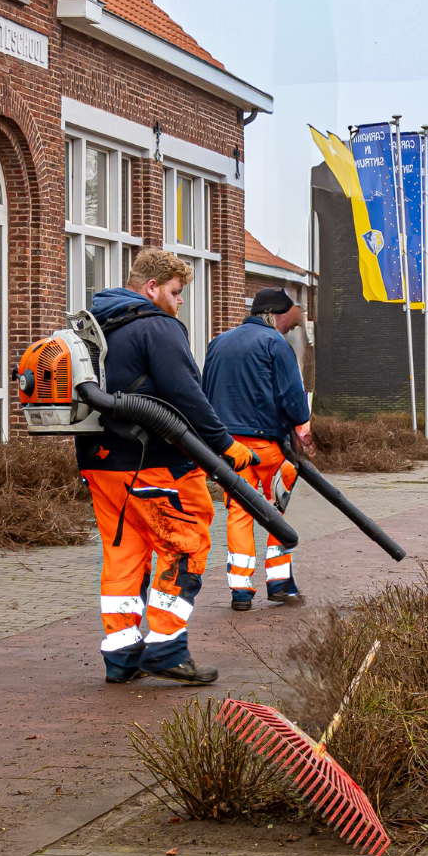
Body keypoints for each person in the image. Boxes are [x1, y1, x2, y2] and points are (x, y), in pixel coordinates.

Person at [80, 250, 256, 686]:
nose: (180, 303)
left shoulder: (93, 328)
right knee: (185, 543)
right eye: (176, 293)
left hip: (101, 466)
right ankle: (166, 647)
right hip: (155, 464)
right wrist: (225, 446)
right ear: (152, 289)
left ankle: (121, 657)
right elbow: (187, 396)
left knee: (124, 554)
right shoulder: (158, 327)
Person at [203, 289, 314, 610]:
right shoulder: (275, 344)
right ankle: (279, 583)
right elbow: (294, 403)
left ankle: (240, 589)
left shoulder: (218, 343)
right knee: (276, 511)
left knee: (239, 512)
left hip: (229, 448)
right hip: (269, 448)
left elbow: (204, 392)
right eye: (288, 324)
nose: (288, 330)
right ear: (274, 314)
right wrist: (300, 423)